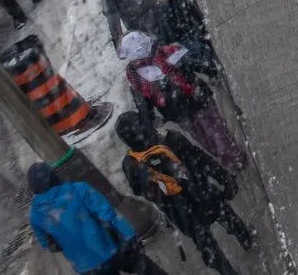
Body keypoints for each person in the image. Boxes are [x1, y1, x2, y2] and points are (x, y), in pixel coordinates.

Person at [115, 112, 255, 275]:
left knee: (206, 244)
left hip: (179, 211)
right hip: (202, 191)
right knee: (228, 217)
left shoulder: (130, 164)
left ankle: (227, 271)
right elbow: (199, 157)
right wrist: (223, 177)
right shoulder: (169, 139)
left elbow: (139, 191)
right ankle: (246, 239)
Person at [119, 31, 248, 170]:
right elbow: (191, 63)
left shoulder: (139, 71)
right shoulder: (161, 56)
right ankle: (233, 156)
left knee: (209, 134)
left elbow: (143, 102)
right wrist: (210, 71)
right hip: (191, 103)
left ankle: (231, 157)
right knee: (213, 133)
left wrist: (152, 117)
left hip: (185, 107)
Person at [26, 162, 165, 275]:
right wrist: (129, 236)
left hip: (87, 267)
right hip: (114, 248)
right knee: (149, 271)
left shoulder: (35, 216)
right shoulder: (78, 190)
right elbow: (107, 214)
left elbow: (51, 246)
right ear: (52, 177)